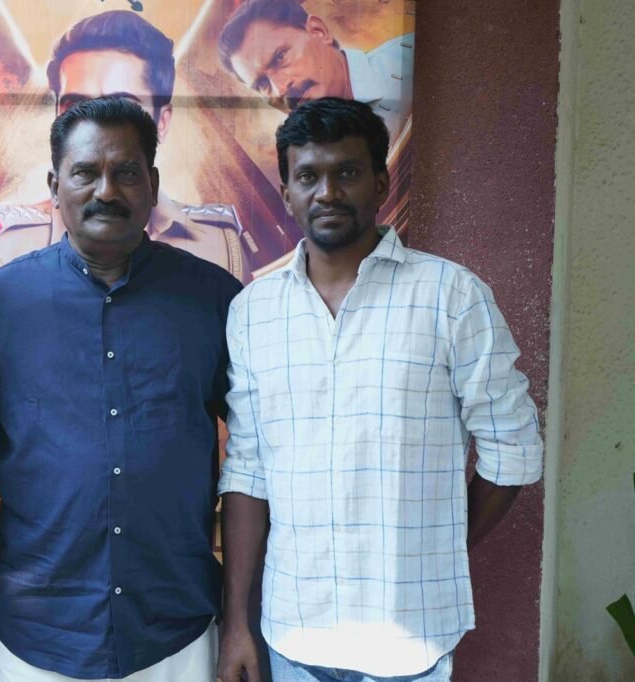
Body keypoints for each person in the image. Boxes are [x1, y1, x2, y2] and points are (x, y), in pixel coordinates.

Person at [216, 98, 543, 682]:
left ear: (382, 181)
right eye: (308, 177)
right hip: (294, 636)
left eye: (347, 172)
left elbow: (513, 450)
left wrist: (436, 549)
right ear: (286, 193)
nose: (327, 193)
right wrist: (237, 621)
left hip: (409, 643)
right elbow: (248, 470)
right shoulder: (252, 312)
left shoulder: (450, 296)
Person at [0, 97, 243, 681]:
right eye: (85, 172)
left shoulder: (213, 299)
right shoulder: (0, 302)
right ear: (54, 185)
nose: (106, 191)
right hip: (41, 629)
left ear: (153, 184)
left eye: (126, 172)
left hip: (174, 626)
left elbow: (252, 445)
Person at [0, 10, 251, 295]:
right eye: (76, 107)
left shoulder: (220, 246)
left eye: (122, 107)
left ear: (162, 121)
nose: (97, 129)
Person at [218, 0, 413, 145]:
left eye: (280, 57)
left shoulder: (412, 65)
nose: (280, 89)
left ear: (319, 31)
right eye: (262, 84)